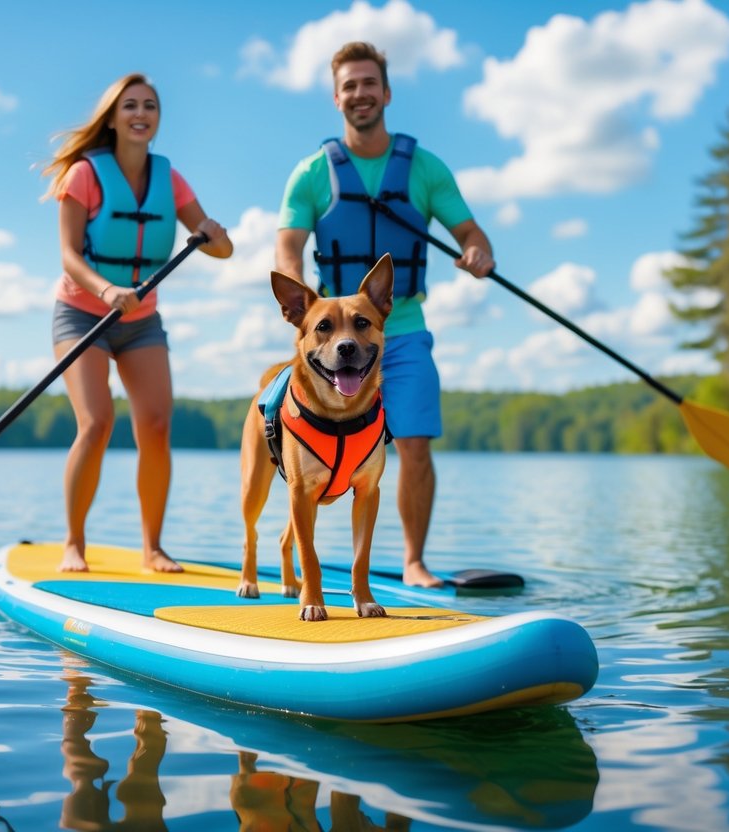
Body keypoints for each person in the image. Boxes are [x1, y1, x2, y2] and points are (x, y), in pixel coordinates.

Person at [275, 42, 494, 588]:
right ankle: (303, 564)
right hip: (329, 339)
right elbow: (287, 248)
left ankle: (414, 561)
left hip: (404, 332)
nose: (360, 94)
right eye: (349, 85)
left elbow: (469, 233)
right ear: (336, 97)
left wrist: (476, 252)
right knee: (306, 454)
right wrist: (303, 310)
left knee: (414, 443)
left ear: (387, 92)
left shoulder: (424, 168)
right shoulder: (310, 173)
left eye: (369, 83)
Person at [42, 73, 233, 574]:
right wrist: (105, 290)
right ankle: (73, 543)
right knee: (97, 422)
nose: (140, 113)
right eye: (130, 106)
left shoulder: (170, 179)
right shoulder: (84, 174)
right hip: (83, 314)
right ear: (112, 117)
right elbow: (67, 254)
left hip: (141, 321)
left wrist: (213, 234)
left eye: (150, 105)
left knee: (155, 425)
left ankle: (152, 548)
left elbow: (222, 250)